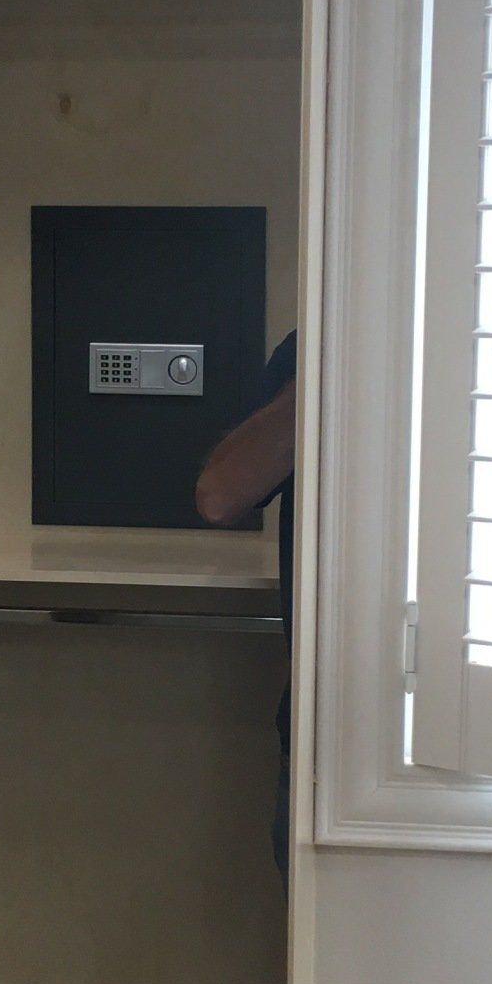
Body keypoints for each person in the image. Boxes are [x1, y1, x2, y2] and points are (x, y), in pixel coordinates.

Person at [195, 334, 297, 877]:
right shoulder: (316, 342)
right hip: (316, 738)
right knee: (318, 960)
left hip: (478, 732)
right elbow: (220, 496)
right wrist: (327, 372)